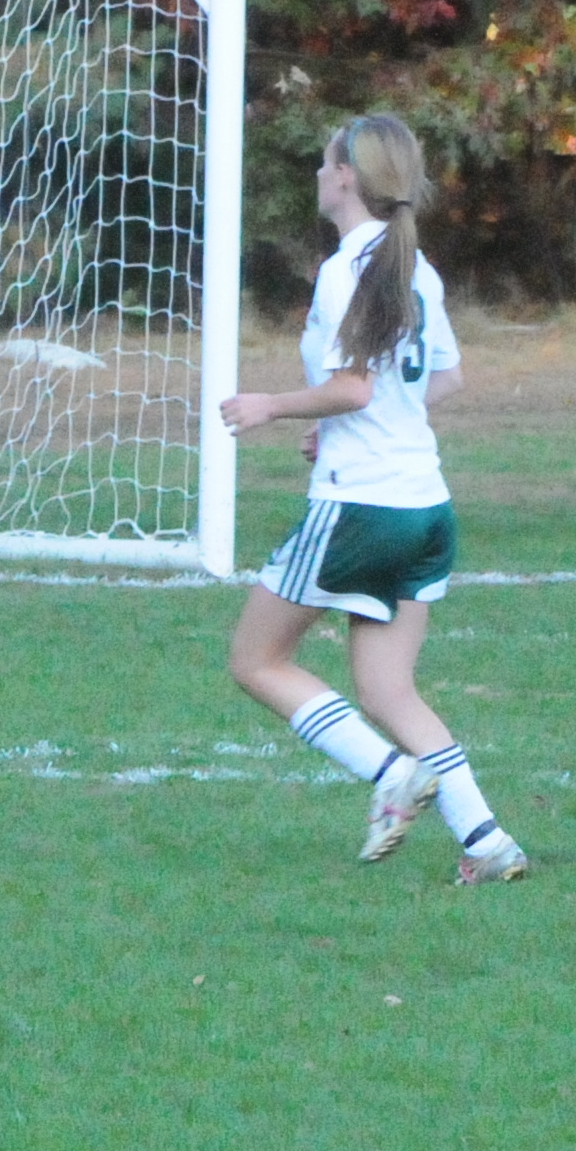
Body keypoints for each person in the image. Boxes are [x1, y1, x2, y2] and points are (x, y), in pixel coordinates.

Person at [217, 112, 528, 881]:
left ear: (347, 176)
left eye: (326, 163)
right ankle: (487, 842)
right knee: (389, 689)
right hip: (425, 505)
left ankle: (389, 774)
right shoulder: (415, 267)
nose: (318, 174)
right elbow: (442, 379)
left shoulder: (347, 268)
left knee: (258, 659)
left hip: (362, 506)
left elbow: (354, 387)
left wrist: (271, 406)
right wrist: (341, 422)